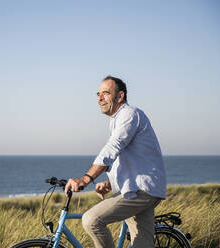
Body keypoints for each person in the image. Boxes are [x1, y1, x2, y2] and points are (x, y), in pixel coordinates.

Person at [65, 76, 166, 248]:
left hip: (142, 190)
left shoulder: (129, 114)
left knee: (91, 220)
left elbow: (113, 147)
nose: (99, 98)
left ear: (120, 96)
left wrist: (86, 178)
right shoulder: (117, 120)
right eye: (98, 94)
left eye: (105, 93)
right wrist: (110, 182)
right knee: (142, 245)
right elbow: (130, 160)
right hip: (139, 188)